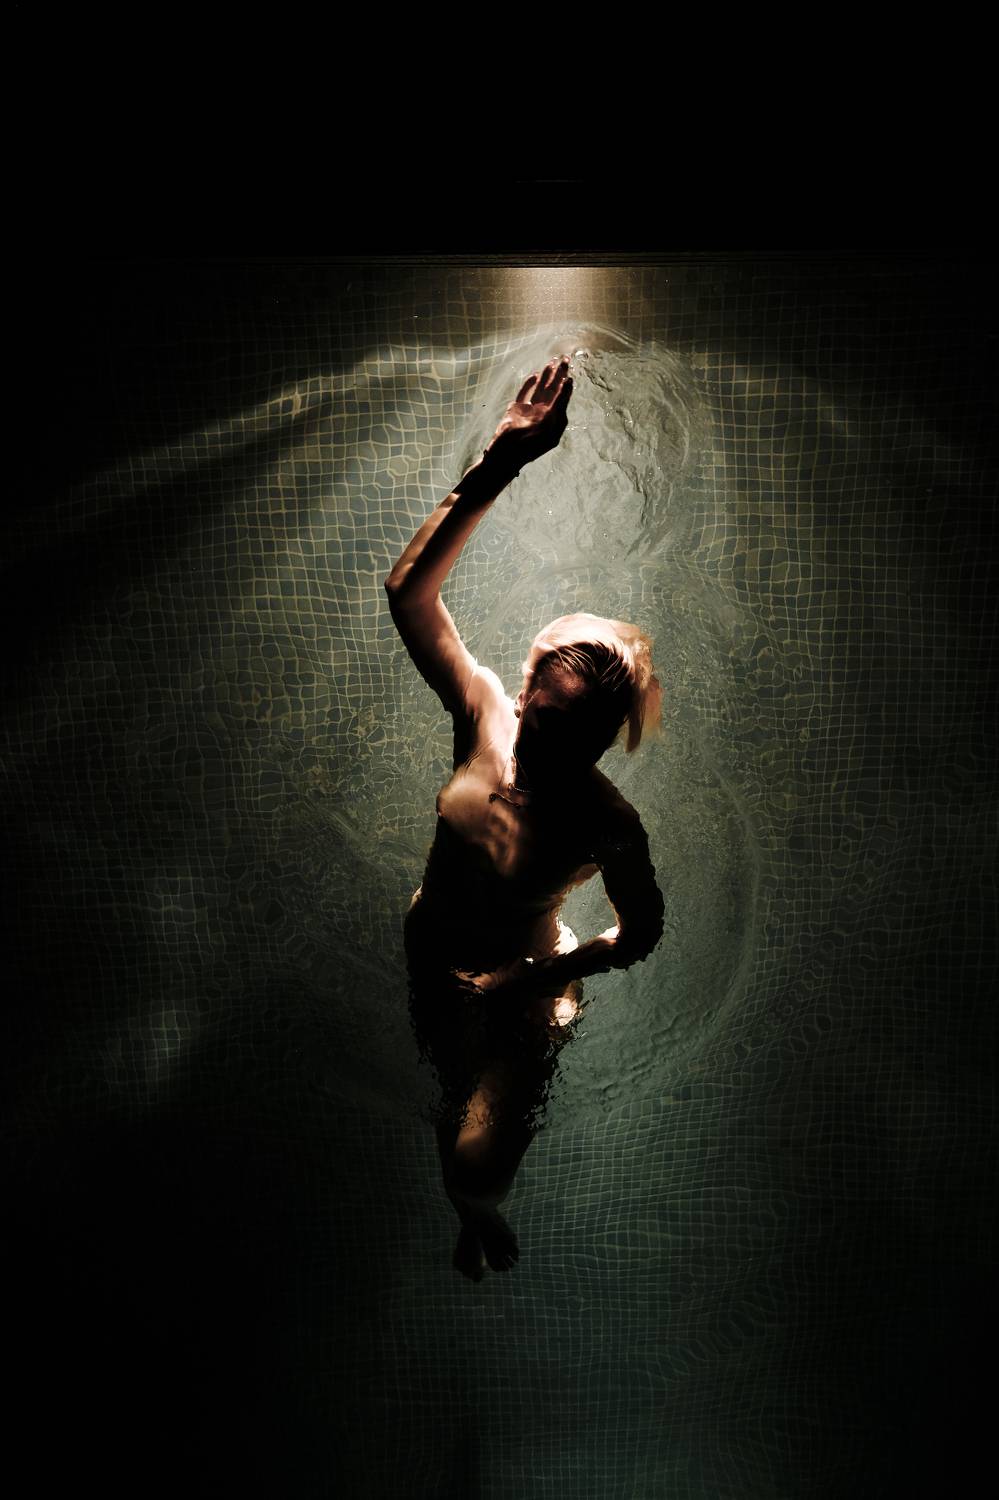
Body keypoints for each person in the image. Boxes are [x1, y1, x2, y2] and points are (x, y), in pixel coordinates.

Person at [384, 355, 666, 1280]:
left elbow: (642, 933)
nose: (544, 756)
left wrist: (539, 974)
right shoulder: (483, 718)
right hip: (433, 952)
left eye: (577, 742)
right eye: (542, 724)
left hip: (522, 987)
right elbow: (409, 595)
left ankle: (474, 1210)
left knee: (476, 1165)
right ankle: (463, 1204)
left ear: (607, 741)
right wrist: (501, 457)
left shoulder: (608, 825)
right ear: (524, 690)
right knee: (446, 1095)